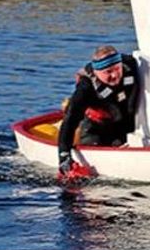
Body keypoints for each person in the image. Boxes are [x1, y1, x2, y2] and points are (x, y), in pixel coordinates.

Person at [57, 45, 140, 178]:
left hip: (123, 123)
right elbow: (69, 122)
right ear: (96, 72)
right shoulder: (86, 88)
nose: (114, 75)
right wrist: (64, 157)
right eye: (108, 72)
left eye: (117, 69)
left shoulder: (130, 64)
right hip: (95, 128)